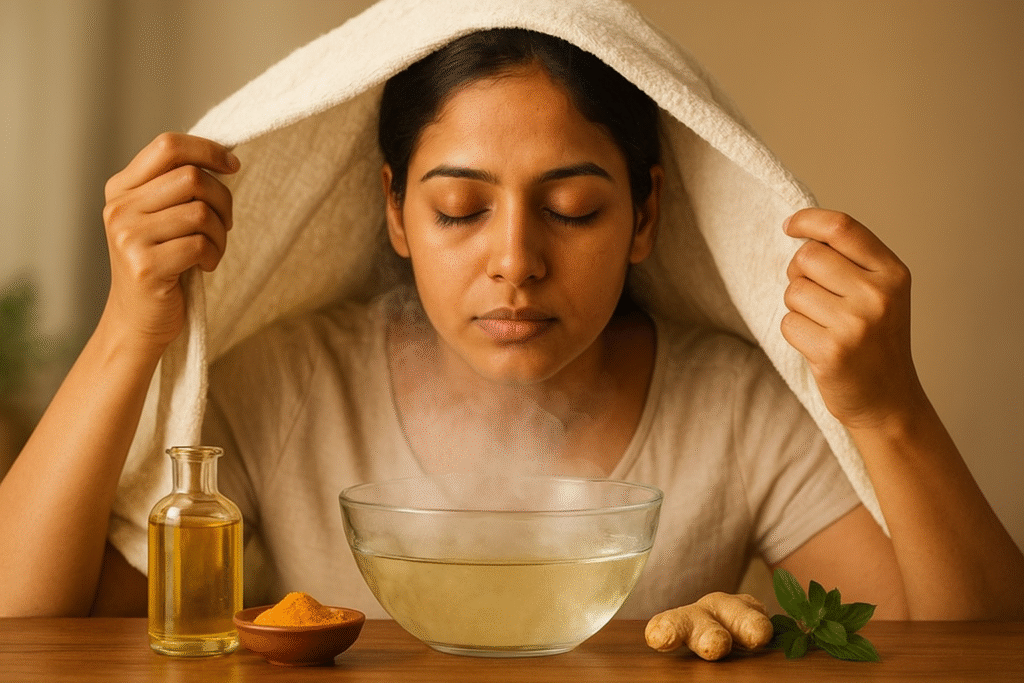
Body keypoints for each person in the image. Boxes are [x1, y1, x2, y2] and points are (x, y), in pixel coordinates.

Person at [1, 3, 1022, 644]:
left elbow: (972, 644)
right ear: (394, 212)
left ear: (646, 216)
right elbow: (28, 624)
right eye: (458, 208)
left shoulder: (734, 403)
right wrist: (131, 329)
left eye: (574, 208)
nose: (515, 260)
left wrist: (888, 407)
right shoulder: (281, 385)